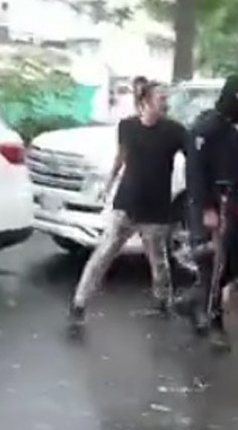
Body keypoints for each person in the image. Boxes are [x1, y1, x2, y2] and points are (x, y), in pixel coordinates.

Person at [68, 82, 187, 326]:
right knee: (104, 253)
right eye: (161, 97)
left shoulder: (175, 131)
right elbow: (121, 156)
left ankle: (164, 302)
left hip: (156, 207)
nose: (165, 102)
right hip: (126, 203)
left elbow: (193, 158)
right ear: (146, 101)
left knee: (158, 259)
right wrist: (109, 182)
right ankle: (79, 303)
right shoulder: (128, 127)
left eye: (166, 97)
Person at [179, 75, 238, 351]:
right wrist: (208, 208)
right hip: (210, 203)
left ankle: (193, 301)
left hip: (232, 201)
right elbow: (195, 172)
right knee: (213, 262)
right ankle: (214, 322)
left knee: (233, 263)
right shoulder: (205, 127)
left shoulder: (234, 128)